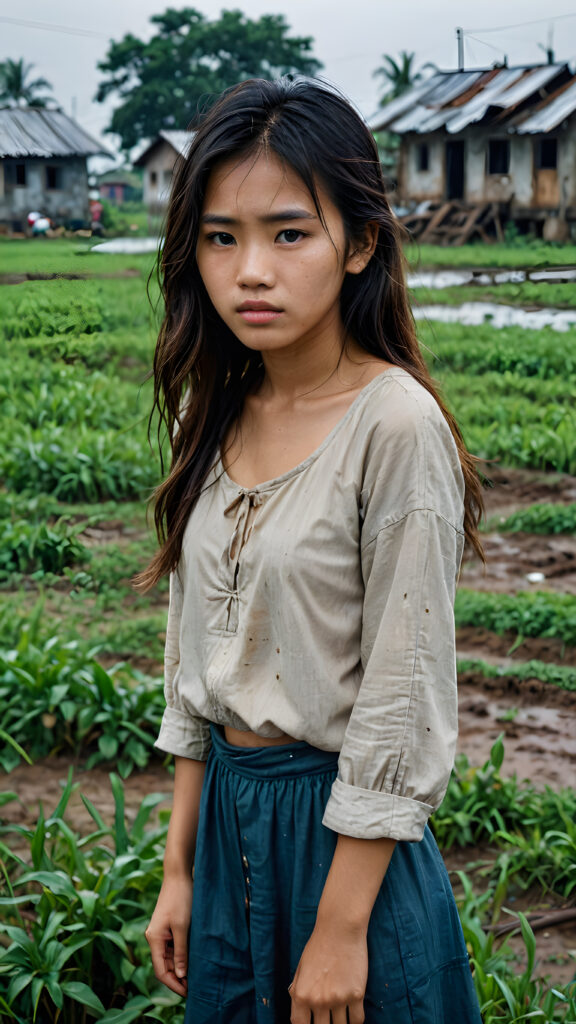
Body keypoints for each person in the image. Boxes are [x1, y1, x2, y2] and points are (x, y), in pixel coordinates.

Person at [140, 76, 484, 1024]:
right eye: (222, 237)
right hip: (226, 831)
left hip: (344, 853)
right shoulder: (212, 412)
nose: (251, 270)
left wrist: (338, 932)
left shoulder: (395, 425)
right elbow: (194, 660)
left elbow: (402, 690)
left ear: (360, 242)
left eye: (289, 233)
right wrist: (177, 869)